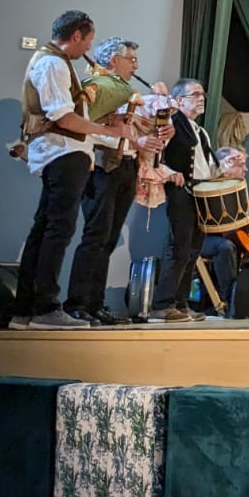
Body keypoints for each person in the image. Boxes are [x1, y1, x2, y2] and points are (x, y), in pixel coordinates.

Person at [9, 11, 145, 330]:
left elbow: (73, 118)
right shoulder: (54, 63)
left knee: (45, 229)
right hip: (62, 154)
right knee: (58, 230)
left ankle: (26, 310)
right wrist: (113, 133)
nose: (89, 46)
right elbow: (64, 118)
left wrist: (106, 125)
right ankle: (45, 308)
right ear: (76, 37)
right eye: (88, 40)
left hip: (63, 152)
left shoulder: (55, 62)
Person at [64, 37, 168, 325]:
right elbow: (86, 128)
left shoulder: (127, 92)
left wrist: (151, 137)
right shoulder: (95, 88)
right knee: (95, 236)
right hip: (102, 166)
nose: (135, 64)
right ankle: (77, 303)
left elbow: (130, 128)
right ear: (112, 60)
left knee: (108, 239)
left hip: (126, 165)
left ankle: (95, 303)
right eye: (130, 59)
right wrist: (132, 137)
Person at [151, 78, 224, 322]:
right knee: (180, 247)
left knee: (193, 250)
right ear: (179, 100)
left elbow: (207, 165)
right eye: (195, 94)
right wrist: (171, 173)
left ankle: (181, 303)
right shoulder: (172, 122)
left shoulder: (200, 132)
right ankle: (162, 304)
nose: (201, 98)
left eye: (202, 94)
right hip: (181, 193)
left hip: (200, 195)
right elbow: (156, 155)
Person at [197, 145, 249, 310]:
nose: (245, 169)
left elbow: (243, 213)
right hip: (207, 237)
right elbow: (226, 215)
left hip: (234, 233)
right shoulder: (209, 183)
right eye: (241, 165)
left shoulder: (238, 185)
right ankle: (230, 296)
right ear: (226, 164)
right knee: (225, 247)